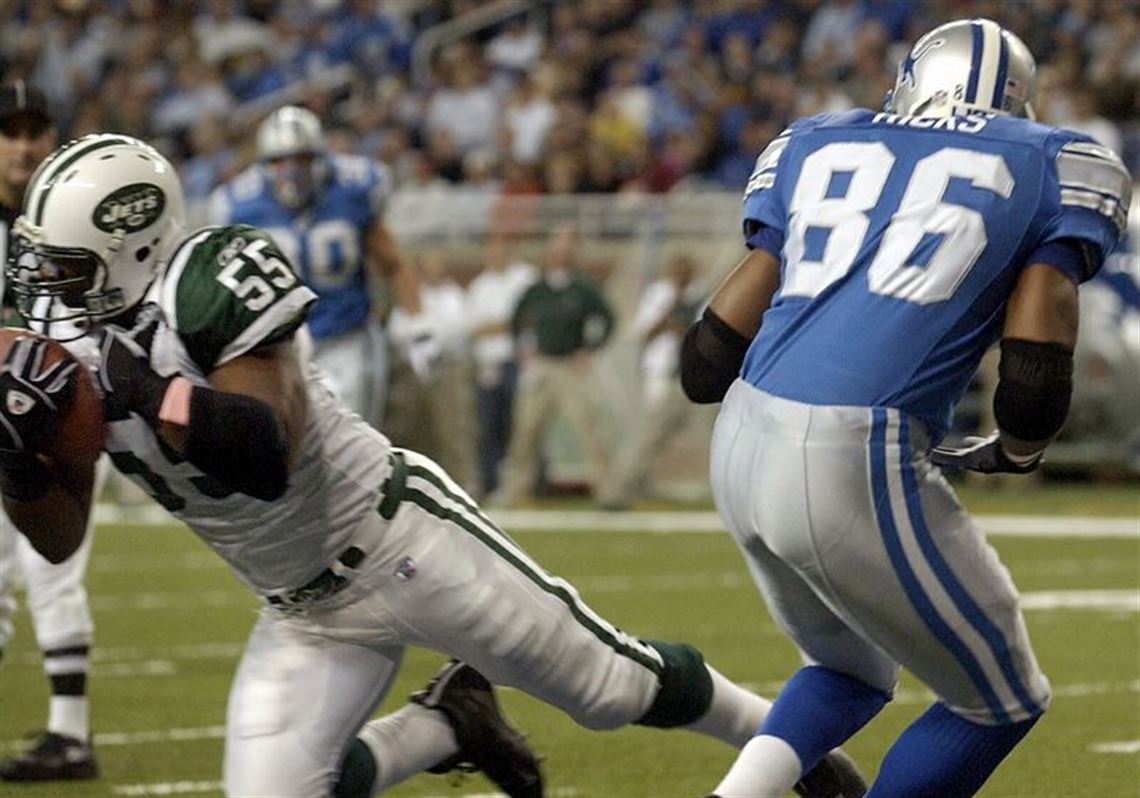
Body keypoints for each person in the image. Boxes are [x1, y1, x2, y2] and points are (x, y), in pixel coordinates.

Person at [1, 133, 866, 798]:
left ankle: (795, 750)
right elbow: (55, 537)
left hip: (396, 540)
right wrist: (20, 460)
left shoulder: (210, 273)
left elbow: (266, 453)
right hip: (302, 611)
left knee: (611, 685)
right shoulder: (59, 348)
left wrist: (152, 393)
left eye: (68, 265)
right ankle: (444, 727)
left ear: (136, 244)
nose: (48, 283)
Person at [680, 18, 1131, 798]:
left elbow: (707, 358)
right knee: (1000, 700)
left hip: (742, 433)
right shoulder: (1055, 159)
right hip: (847, 446)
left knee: (848, 667)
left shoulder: (815, 139)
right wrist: (1021, 446)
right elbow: (1038, 341)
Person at [210, 105, 434, 428]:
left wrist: (419, 325)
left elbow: (392, 263)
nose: (290, 170)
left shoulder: (352, 190)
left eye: (301, 159)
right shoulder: (239, 206)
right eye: (278, 161)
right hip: (280, 346)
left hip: (348, 337)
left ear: (320, 158)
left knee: (355, 435)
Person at [0, 80, 100, 782]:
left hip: (61, 412)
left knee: (53, 567)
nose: (24, 145)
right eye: (11, 132)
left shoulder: (76, 216)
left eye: (36, 132)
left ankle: (71, 734)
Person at [491, 224, 615, 505]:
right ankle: (511, 491)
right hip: (542, 366)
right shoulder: (537, 289)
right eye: (557, 247)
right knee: (525, 432)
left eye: (567, 247)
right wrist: (522, 350)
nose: (561, 253)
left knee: (590, 428)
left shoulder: (583, 287)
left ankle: (607, 490)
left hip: (570, 367)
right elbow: (516, 319)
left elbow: (608, 320)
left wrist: (589, 349)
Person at [597, 253, 705, 510]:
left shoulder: (701, 297)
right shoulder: (658, 295)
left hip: (694, 380)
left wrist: (684, 324)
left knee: (711, 440)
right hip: (663, 377)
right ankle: (616, 493)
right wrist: (668, 315)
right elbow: (644, 333)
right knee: (645, 439)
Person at [466, 235, 538, 496]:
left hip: (519, 360)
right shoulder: (480, 285)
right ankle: (490, 483)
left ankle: (530, 483)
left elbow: (528, 319)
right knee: (489, 425)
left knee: (522, 425)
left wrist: (499, 326)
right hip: (488, 362)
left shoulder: (526, 278)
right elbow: (472, 328)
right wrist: (505, 324)